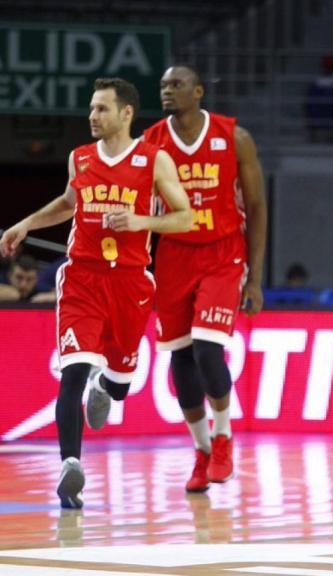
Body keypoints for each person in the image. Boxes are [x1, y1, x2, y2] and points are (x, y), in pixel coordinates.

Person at [0, 78, 192, 508]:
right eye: (91, 108)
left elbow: (185, 218)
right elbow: (69, 203)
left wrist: (143, 223)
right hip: (82, 279)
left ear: (126, 114)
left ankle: (108, 385)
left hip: (130, 283)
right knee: (71, 374)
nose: (92, 115)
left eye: (102, 109)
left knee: (121, 384)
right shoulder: (80, 159)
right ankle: (71, 466)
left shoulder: (153, 160)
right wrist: (26, 223)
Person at [139, 65, 267, 493]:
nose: (167, 91)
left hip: (222, 254)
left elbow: (257, 206)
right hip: (173, 256)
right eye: (162, 85)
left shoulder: (234, 137)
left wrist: (255, 278)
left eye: (175, 84)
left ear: (198, 90)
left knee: (209, 350)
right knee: (181, 361)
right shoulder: (151, 143)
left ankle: (224, 435)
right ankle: (201, 450)